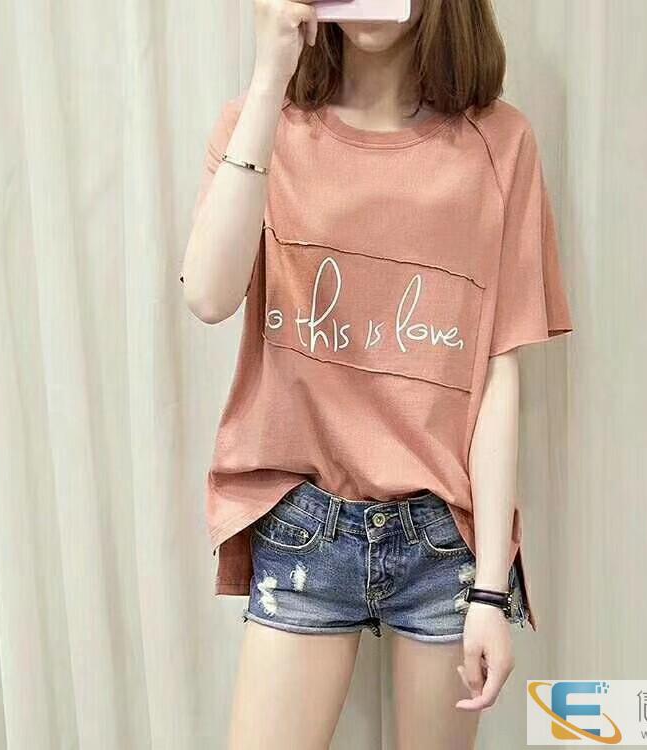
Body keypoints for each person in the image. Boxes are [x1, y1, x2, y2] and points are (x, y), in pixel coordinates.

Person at [181, 0, 573, 747]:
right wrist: (268, 78)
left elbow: (496, 376)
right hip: (303, 524)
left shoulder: (500, 143)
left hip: (441, 539)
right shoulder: (260, 125)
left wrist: (492, 588)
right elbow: (206, 295)